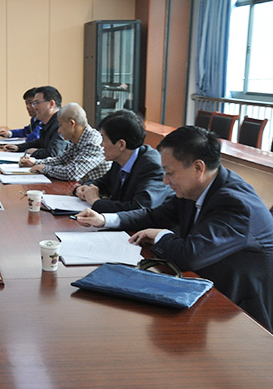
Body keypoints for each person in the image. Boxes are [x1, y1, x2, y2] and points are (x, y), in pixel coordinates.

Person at [76, 126, 273, 332]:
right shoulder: (196, 187)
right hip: (204, 289)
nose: (165, 180)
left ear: (198, 168)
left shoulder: (235, 203)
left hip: (239, 313)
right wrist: (105, 220)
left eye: (170, 173)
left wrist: (161, 235)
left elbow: (190, 255)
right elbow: (154, 215)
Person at [74, 110, 173, 213]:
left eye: (103, 139)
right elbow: (104, 183)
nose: (100, 145)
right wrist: (84, 188)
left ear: (121, 144)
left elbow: (139, 208)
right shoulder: (121, 157)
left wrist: (96, 202)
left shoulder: (152, 166)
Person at [22, 103, 111, 182]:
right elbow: (61, 160)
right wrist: (35, 163)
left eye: (60, 125)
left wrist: (45, 169)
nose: (59, 131)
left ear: (72, 123)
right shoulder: (80, 138)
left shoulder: (93, 142)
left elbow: (72, 173)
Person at [2, 85, 68, 159]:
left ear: (51, 104)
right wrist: (18, 147)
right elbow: (40, 142)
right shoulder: (50, 122)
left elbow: (54, 153)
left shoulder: (62, 124)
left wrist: (35, 152)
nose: (34, 107)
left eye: (36, 103)